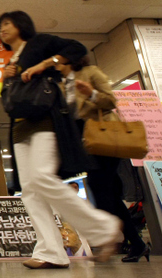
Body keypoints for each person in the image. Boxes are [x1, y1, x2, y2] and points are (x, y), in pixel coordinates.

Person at [0, 11, 122, 269]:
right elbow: (9, 100)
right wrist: (6, 77)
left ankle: (105, 227)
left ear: (21, 26)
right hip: (19, 129)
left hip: (47, 122)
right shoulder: (12, 59)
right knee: (30, 191)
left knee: (43, 177)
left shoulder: (40, 43)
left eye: (7, 24)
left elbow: (76, 47)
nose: (2, 29)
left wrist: (46, 63)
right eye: (0, 26)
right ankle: (51, 252)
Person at [57, 57, 149, 263]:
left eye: (59, 59)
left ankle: (110, 239)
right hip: (86, 143)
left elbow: (110, 101)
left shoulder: (91, 73)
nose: (56, 63)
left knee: (100, 186)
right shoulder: (63, 84)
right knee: (111, 194)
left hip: (103, 137)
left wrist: (91, 93)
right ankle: (137, 243)